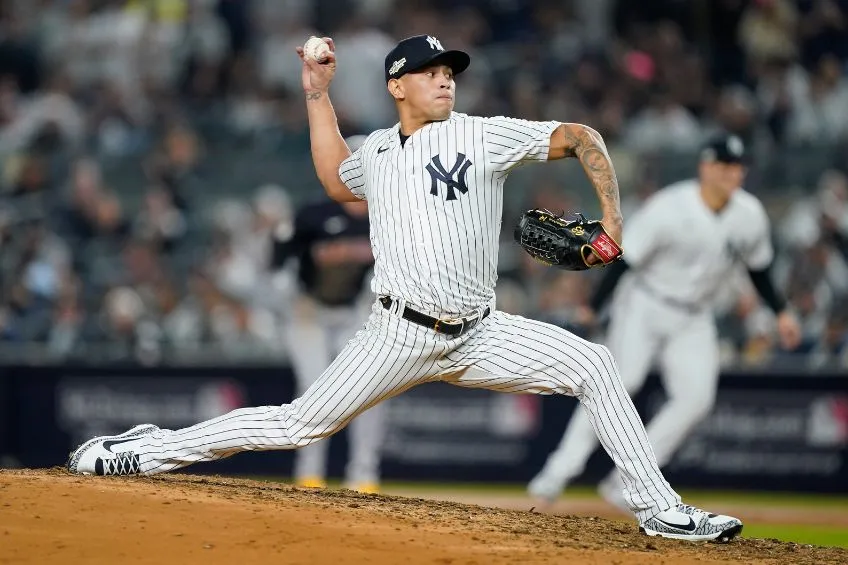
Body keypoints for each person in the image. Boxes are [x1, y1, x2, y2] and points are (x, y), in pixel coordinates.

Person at [67, 34, 743, 542]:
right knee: (298, 424)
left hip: (480, 331)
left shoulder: (483, 135)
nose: (445, 79)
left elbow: (581, 136)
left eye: (450, 71)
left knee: (595, 364)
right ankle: (144, 450)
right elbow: (336, 179)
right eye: (430, 71)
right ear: (397, 85)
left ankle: (660, 509)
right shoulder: (380, 153)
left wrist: (612, 223)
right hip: (396, 333)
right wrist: (317, 94)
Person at [527, 133, 802, 511]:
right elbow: (624, 259)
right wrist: (594, 306)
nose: (732, 174)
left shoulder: (749, 214)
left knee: (696, 400)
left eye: (738, 167)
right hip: (645, 304)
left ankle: (629, 483)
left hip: (694, 317)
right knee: (616, 384)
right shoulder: (670, 207)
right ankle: (556, 474)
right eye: (725, 165)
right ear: (706, 167)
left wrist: (781, 312)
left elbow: (760, 269)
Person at [277, 138, 383, 493]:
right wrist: (287, 290)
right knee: (314, 389)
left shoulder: (388, 215)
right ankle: (309, 475)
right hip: (309, 311)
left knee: (371, 388)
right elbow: (280, 254)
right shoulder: (315, 213)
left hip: (355, 312)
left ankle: (364, 475)